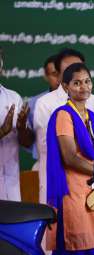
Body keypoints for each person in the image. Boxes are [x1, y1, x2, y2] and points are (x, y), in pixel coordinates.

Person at [46, 62, 94, 254]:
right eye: (77, 83)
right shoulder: (64, 115)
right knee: (74, 246)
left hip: (93, 190)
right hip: (72, 192)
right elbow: (70, 158)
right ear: (65, 87)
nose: (84, 87)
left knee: (92, 248)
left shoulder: (92, 116)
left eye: (87, 81)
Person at [33, 48, 94, 204]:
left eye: (86, 79)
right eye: (69, 69)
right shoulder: (47, 104)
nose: (76, 72)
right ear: (60, 75)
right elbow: (48, 148)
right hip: (62, 178)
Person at [0, 46, 34, 201]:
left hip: (10, 183)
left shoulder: (13, 97)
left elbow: (26, 143)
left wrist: (21, 129)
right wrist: (2, 132)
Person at [27, 54, 59, 162]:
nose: (59, 78)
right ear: (45, 76)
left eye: (62, 73)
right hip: (43, 162)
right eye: (54, 74)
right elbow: (28, 140)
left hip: (74, 165)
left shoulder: (80, 101)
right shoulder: (34, 103)